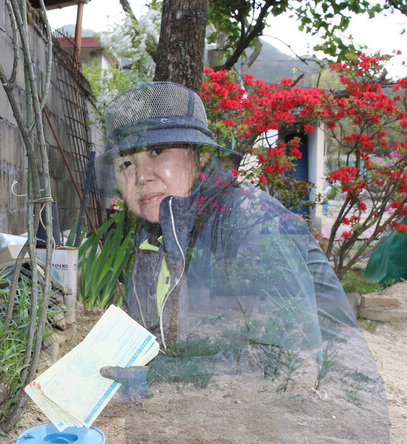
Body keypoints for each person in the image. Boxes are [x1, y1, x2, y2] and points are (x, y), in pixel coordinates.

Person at [95, 81, 384, 411]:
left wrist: (160, 378)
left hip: (322, 418)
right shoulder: (156, 235)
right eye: (126, 164)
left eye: (157, 152)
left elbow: (291, 366)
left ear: (200, 156)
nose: (141, 175)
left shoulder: (247, 221)